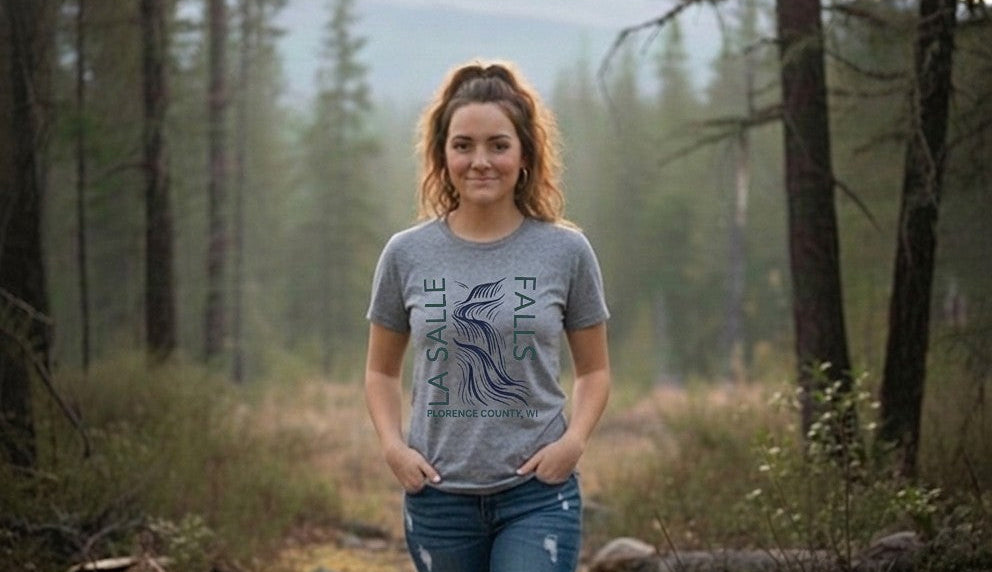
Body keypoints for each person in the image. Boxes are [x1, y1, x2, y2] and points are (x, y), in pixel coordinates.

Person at [364, 59, 612, 572]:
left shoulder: (565, 251)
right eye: (463, 145)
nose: (481, 161)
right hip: (438, 498)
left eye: (498, 145)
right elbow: (380, 371)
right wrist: (393, 448)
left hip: (537, 495)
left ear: (524, 154)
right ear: (442, 155)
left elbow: (595, 371)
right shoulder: (406, 254)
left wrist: (574, 442)